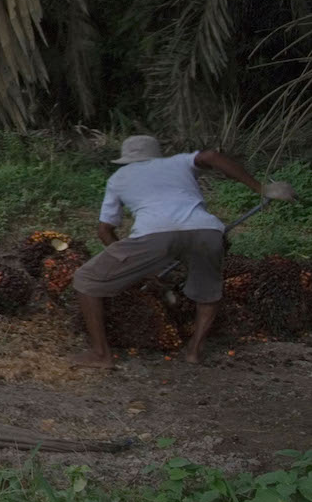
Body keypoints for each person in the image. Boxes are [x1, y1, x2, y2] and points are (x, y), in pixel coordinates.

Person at [71, 135, 296, 369]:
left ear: (126, 159)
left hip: (154, 235)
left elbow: (104, 231)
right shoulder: (177, 162)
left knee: (86, 279)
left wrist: (130, 262)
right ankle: (194, 351)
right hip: (206, 232)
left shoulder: (118, 178)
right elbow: (210, 156)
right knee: (207, 291)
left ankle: (100, 355)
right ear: (156, 154)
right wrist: (261, 188)